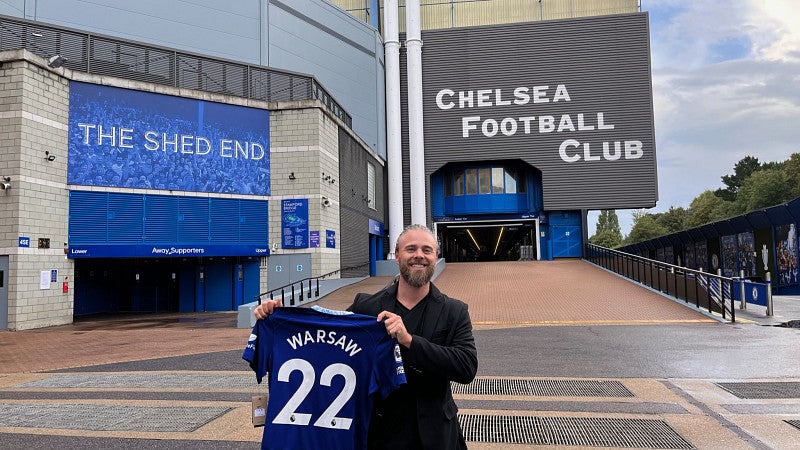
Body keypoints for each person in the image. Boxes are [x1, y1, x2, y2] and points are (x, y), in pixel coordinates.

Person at [254, 224, 478, 449]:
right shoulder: (366, 307)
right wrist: (279, 319)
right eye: (411, 249)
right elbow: (325, 340)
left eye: (426, 250)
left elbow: (466, 366)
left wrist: (409, 340)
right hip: (379, 434)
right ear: (397, 256)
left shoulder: (454, 310)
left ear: (436, 256)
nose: (419, 255)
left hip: (436, 436)